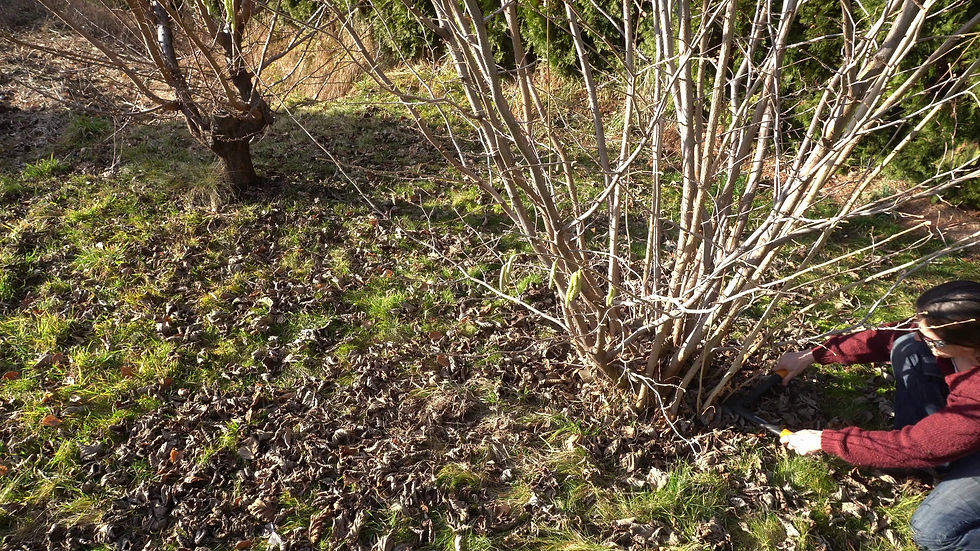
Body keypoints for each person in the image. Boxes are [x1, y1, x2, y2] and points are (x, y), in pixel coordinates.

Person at [777, 280, 980, 551]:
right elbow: (888, 337)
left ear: (971, 343)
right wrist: (811, 356)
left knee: (934, 533)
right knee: (908, 347)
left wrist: (827, 440)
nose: (921, 337)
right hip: (965, 422)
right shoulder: (949, 327)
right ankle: (930, 464)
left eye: (932, 339)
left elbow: (919, 445)